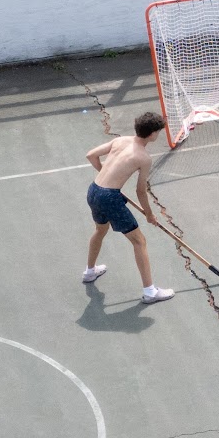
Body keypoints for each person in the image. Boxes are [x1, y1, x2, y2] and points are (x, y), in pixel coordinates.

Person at [83, 111, 175, 304]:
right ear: (152, 134)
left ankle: (90, 272)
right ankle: (150, 292)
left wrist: (108, 177)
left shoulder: (120, 140)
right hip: (109, 197)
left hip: (94, 190)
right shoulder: (143, 157)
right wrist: (149, 215)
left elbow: (91, 155)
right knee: (139, 241)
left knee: (100, 230)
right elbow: (141, 191)